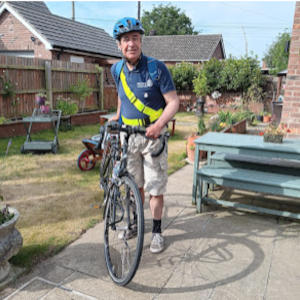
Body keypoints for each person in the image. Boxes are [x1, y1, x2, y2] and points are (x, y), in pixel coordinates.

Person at [110, 17, 179, 254]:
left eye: (136, 39)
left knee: (155, 188)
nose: (132, 44)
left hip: (152, 138)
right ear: (119, 45)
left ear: (141, 41)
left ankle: (157, 232)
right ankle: (136, 225)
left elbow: (173, 102)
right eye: (126, 39)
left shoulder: (156, 68)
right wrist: (117, 117)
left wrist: (159, 125)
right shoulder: (116, 69)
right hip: (128, 138)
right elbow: (122, 94)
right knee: (134, 186)